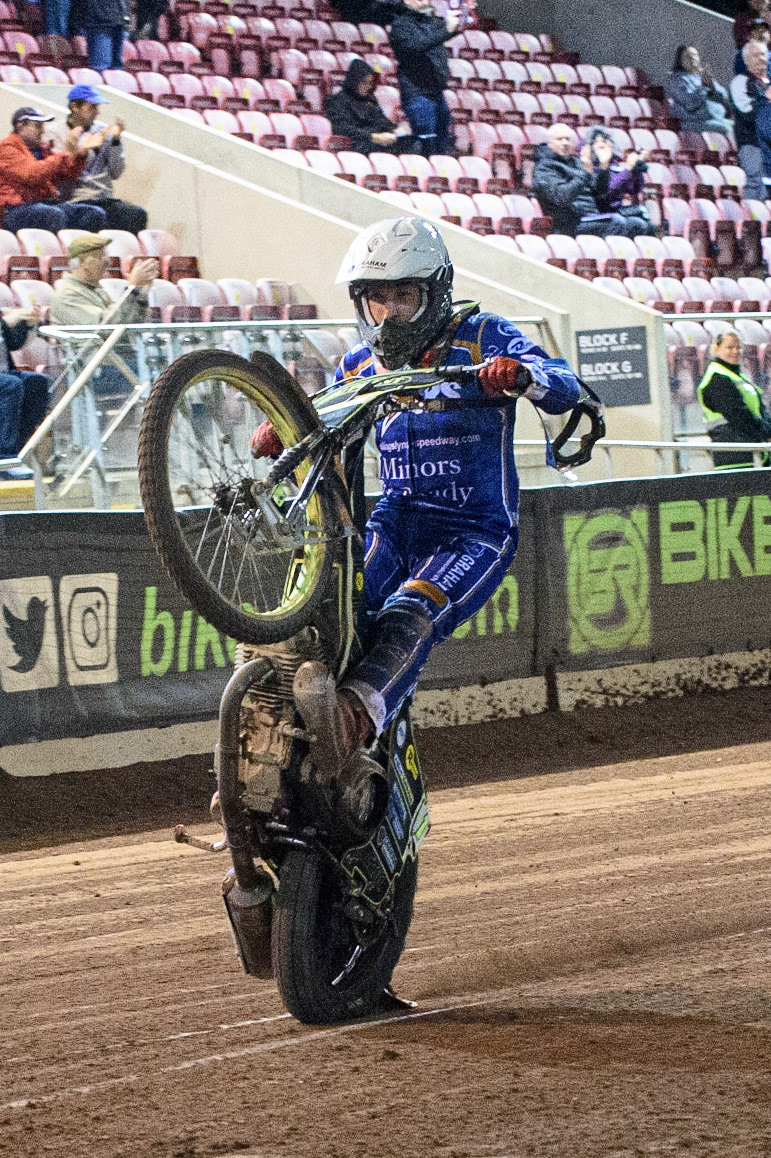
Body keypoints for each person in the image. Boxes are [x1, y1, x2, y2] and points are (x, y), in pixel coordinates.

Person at [253, 216, 581, 781]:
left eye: (403, 296)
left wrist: (517, 375)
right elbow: (329, 428)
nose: (388, 313)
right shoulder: (358, 365)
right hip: (395, 521)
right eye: (375, 299)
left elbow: (565, 385)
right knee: (322, 611)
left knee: (411, 612)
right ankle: (258, 758)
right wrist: (287, 429)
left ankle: (350, 722)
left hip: (473, 531)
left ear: (436, 291)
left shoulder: (481, 336)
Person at [48, 234, 158, 394]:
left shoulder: (96, 291)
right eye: (100, 256)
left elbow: (126, 323)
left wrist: (140, 294)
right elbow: (104, 326)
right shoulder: (67, 295)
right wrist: (131, 289)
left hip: (116, 362)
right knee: (161, 376)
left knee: (170, 370)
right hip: (93, 370)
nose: (107, 261)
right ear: (82, 262)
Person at [49, 85, 148, 234]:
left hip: (103, 197)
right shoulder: (55, 132)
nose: (97, 113)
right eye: (92, 108)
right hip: (74, 199)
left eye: (97, 107)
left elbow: (116, 172)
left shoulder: (102, 132)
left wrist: (116, 141)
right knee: (94, 214)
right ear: (75, 106)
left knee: (136, 213)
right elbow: (58, 171)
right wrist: (79, 149)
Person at [0, 106, 107, 234]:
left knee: (93, 213)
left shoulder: (42, 150)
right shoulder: (7, 148)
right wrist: (67, 151)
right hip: (14, 209)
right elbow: (32, 174)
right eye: (37, 126)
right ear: (21, 126)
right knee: (53, 214)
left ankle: (79, 252)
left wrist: (81, 153)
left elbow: (69, 175)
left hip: (43, 204)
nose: (42, 131)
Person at [532, 123, 648, 238]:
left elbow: (600, 194)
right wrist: (585, 173)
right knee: (616, 222)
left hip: (590, 217)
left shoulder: (576, 163)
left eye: (567, 139)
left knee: (638, 224)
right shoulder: (544, 168)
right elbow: (563, 197)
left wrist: (604, 167)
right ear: (549, 143)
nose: (565, 142)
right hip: (568, 223)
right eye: (559, 139)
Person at [388, 0, 464, 157]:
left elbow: (451, 28)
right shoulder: (401, 25)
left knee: (442, 144)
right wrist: (446, 30)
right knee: (425, 143)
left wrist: (463, 13)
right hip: (417, 92)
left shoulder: (431, 21)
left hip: (436, 91)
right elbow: (419, 44)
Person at [697, 329, 771, 469]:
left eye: (738, 347)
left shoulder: (738, 376)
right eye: (729, 347)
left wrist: (767, 429)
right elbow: (737, 414)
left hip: (753, 450)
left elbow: (760, 408)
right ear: (717, 348)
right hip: (733, 454)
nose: (735, 351)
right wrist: (765, 432)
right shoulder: (716, 377)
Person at [0, 304, 49, 482]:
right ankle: (5, 459)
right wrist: (4, 322)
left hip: (5, 374)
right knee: (11, 385)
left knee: (37, 382)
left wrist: (27, 324)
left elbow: (12, 343)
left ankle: (18, 451)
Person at [325, 58, 413, 156]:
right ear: (355, 81)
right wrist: (374, 136)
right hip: (356, 144)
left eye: (370, 83)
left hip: (379, 141)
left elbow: (381, 120)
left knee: (411, 143)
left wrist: (396, 130)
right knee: (375, 147)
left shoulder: (370, 99)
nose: (367, 86)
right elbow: (342, 128)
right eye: (364, 83)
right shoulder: (339, 100)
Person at [581, 126, 657, 236]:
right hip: (598, 214)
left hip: (615, 212)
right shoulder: (589, 168)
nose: (604, 145)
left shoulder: (615, 166)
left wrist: (636, 170)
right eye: (598, 143)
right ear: (590, 147)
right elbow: (607, 192)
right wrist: (629, 170)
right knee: (620, 222)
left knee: (644, 224)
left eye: (606, 141)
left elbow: (634, 189)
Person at [729, 40, 771, 201]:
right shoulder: (740, 81)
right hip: (752, 144)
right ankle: (750, 222)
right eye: (755, 55)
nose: (760, 58)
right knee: (757, 187)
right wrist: (766, 100)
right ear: (746, 60)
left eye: (763, 54)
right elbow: (747, 113)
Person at [665, 46, 733, 135]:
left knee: (737, 126)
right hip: (691, 122)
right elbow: (689, 104)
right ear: (680, 61)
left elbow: (723, 98)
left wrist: (712, 86)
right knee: (726, 129)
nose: (692, 58)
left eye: (694, 55)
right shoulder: (676, 80)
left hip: (714, 119)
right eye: (687, 56)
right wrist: (703, 87)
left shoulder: (701, 77)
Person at [68, 0, 127, 71]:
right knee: (101, 67)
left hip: (118, 21)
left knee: (117, 68)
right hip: (99, 24)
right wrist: (75, 29)